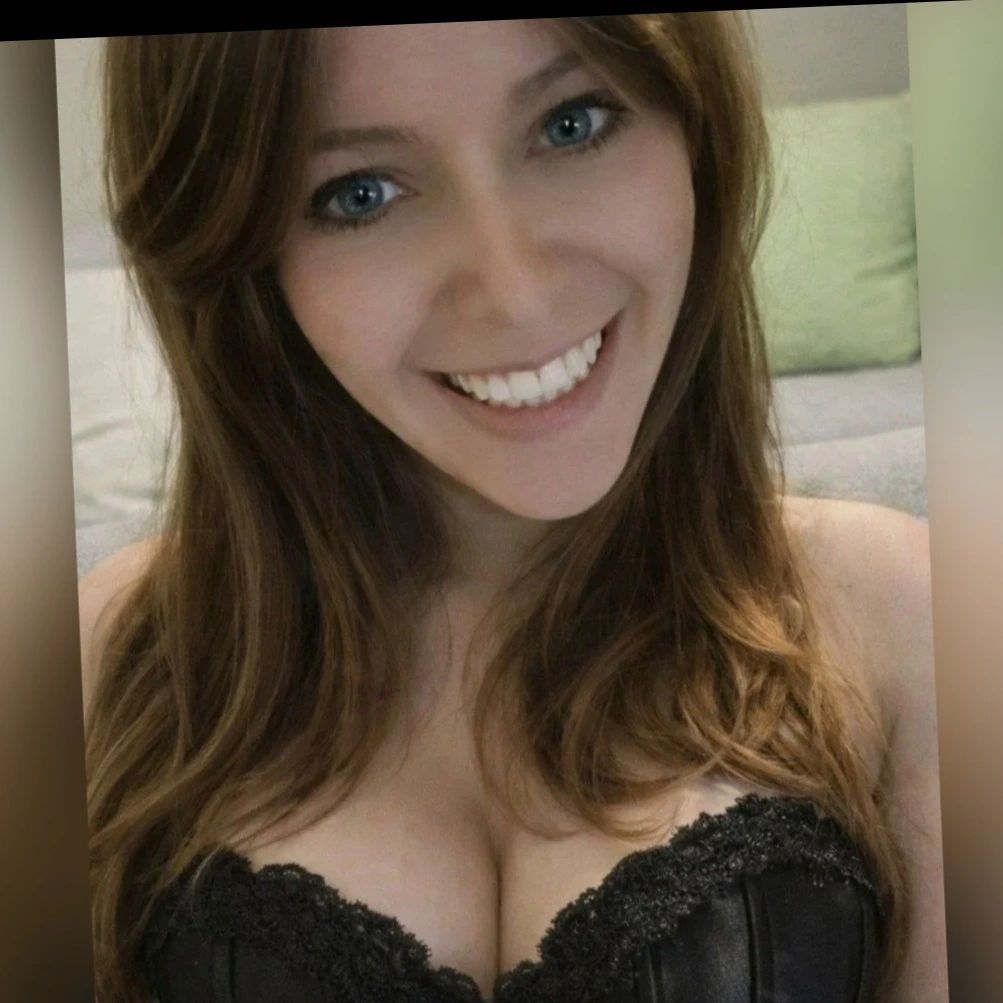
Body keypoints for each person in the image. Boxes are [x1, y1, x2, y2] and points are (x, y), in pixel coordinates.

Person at [78, 17, 946, 1003]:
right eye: (360, 194)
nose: (515, 293)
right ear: (239, 255)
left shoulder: (912, 613)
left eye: (572, 124)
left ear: (696, 126)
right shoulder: (110, 659)